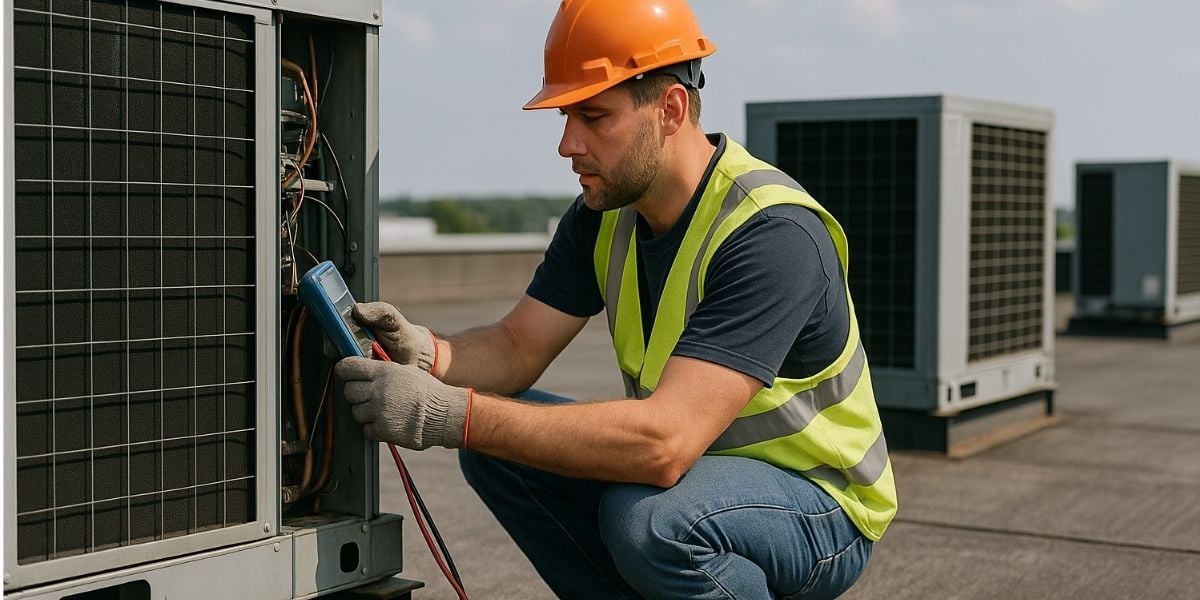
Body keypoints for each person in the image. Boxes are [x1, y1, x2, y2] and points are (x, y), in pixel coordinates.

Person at [336, 0, 898, 597]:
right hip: (702, 477)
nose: (566, 143)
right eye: (565, 116)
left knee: (653, 522)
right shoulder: (604, 217)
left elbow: (664, 443)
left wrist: (448, 414)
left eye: (593, 116)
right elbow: (518, 345)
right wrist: (426, 354)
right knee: (502, 449)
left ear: (670, 109)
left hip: (819, 504)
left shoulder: (770, 234)